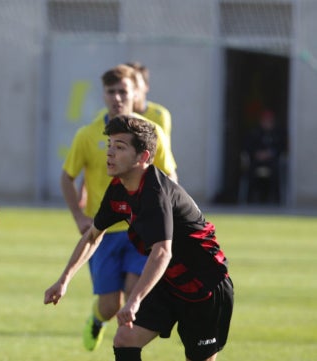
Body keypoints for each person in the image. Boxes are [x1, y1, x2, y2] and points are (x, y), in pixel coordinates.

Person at [46, 115, 233, 361]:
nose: (110, 153)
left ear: (143, 157)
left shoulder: (156, 193)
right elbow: (92, 236)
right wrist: (64, 280)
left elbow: (162, 251)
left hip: (205, 286)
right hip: (168, 281)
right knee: (124, 339)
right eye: (109, 145)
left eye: (120, 147)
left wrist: (133, 300)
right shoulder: (118, 189)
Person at [60, 64, 178, 351]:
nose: (117, 97)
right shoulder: (88, 135)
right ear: (103, 95)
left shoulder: (152, 132)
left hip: (140, 230)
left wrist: (165, 214)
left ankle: (126, 348)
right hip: (104, 230)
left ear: (135, 93)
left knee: (133, 293)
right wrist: (78, 214)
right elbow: (67, 176)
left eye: (123, 91)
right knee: (110, 304)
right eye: (111, 91)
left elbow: (170, 176)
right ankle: (97, 320)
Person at [243, 109, 286, 205]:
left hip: (272, 162)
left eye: (269, 121)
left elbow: (280, 148)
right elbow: (249, 147)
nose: (267, 123)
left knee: (275, 173)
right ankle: (252, 198)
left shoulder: (277, 133)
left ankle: (274, 199)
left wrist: (269, 154)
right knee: (251, 172)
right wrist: (257, 154)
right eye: (265, 120)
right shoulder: (255, 133)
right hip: (257, 161)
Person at [125, 61, 172, 140]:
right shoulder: (104, 115)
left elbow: (158, 148)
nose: (132, 90)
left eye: (135, 85)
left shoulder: (159, 115)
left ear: (146, 87)